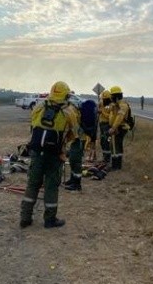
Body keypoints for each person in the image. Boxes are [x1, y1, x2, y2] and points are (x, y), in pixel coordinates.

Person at [20, 81, 78, 229]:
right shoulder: (68, 112)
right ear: (66, 95)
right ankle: (50, 219)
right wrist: (63, 147)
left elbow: (33, 124)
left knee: (32, 184)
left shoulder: (39, 106)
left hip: (36, 152)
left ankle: (25, 217)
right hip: (54, 155)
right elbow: (73, 133)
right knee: (51, 186)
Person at [63, 98, 98, 191]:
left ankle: (77, 184)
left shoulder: (70, 110)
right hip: (77, 137)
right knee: (72, 159)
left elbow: (71, 126)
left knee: (75, 160)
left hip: (79, 138)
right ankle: (72, 179)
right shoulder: (71, 108)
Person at [107, 85, 131, 170]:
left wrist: (113, 128)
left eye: (112, 96)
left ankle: (116, 166)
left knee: (115, 146)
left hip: (120, 128)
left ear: (116, 96)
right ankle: (116, 165)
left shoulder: (123, 105)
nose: (111, 98)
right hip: (116, 127)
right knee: (115, 146)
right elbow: (110, 112)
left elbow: (120, 117)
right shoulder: (116, 104)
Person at [97, 90, 113, 163]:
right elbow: (98, 107)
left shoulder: (111, 106)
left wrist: (102, 112)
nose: (103, 100)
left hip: (107, 125)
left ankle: (107, 159)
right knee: (102, 142)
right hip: (102, 125)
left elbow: (110, 117)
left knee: (107, 141)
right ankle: (104, 157)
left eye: (104, 99)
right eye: (102, 99)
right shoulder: (102, 103)